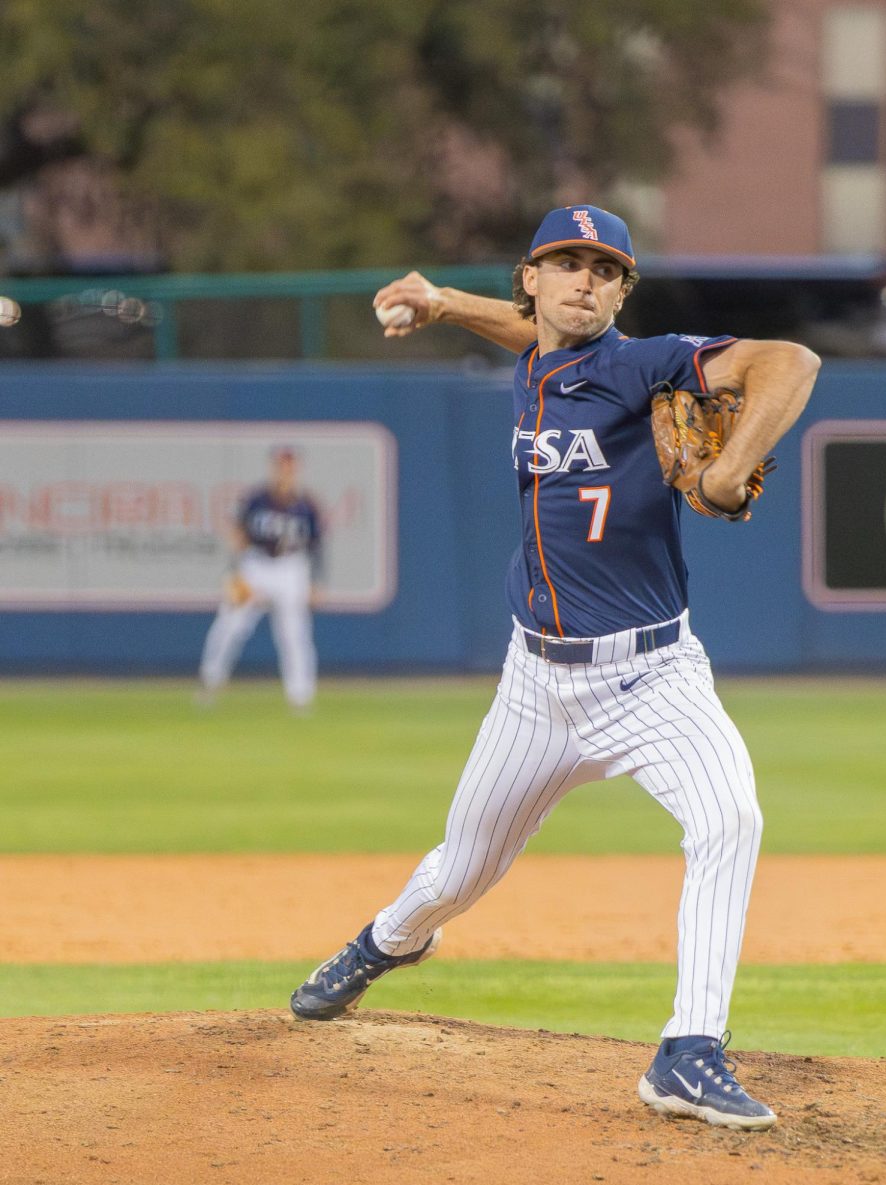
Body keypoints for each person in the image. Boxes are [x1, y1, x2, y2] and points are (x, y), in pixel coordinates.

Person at [290, 205, 820, 1131]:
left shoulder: (637, 363)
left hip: (653, 679)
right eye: (565, 263)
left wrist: (734, 464)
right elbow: (525, 333)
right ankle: (385, 943)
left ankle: (688, 1051)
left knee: (729, 817)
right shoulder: (538, 360)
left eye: (605, 269)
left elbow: (792, 362)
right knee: (460, 870)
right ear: (529, 279)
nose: (585, 280)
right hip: (533, 686)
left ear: (622, 293)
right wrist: (443, 301)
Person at [198, 445, 323, 711]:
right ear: (273, 468)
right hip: (257, 566)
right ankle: (210, 683)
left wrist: (315, 581)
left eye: (290, 467)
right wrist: (235, 572)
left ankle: (300, 698)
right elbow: (238, 536)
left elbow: (316, 546)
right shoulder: (256, 499)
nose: (285, 472)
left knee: (294, 633)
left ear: (297, 470)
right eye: (281, 466)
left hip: (291, 567)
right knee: (230, 625)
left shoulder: (306, 506)